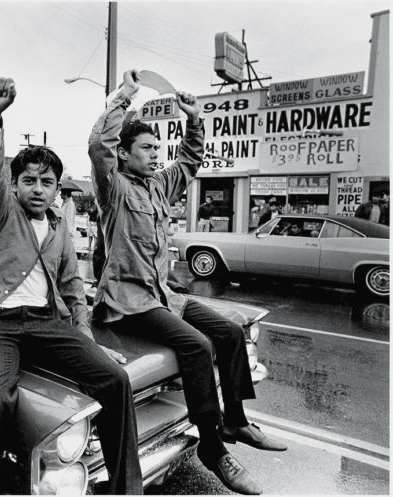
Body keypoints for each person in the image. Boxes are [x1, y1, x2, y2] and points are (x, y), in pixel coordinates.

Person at [89, 69, 285, 496]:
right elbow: (97, 145)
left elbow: (190, 160)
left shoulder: (159, 185)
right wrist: (123, 97)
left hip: (164, 296)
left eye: (157, 147)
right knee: (196, 346)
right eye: (145, 148)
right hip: (129, 301)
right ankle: (212, 450)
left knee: (230, 332)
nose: (155, 154)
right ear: (123, 155)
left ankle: (234, 419)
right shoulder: (114, 187)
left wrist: (194, 118)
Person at [0, 76, 141, 495]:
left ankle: (126, 489)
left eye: (47, 182)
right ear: (16, 184)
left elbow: (73, 288)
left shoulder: (59, 227)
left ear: (57, 188)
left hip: (45, 323)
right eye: (30, 181)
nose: (38, 189)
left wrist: (87, 339)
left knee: (114, 379)